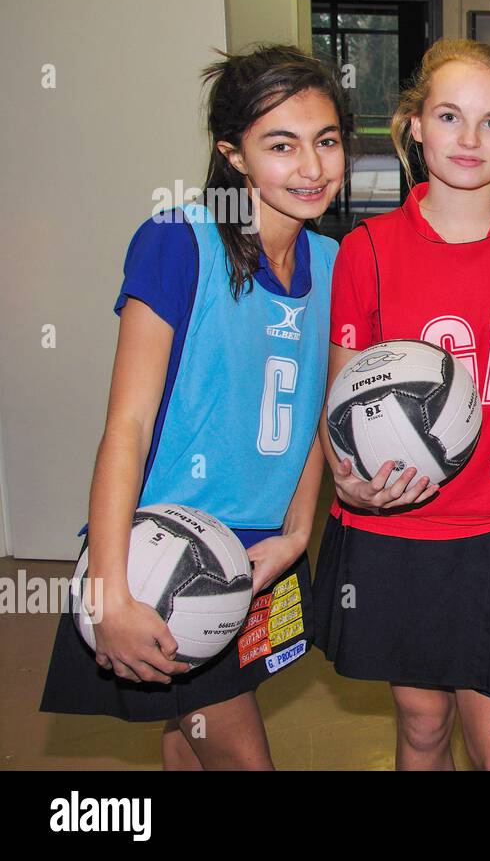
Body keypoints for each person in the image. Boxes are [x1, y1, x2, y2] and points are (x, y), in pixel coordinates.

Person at [40, 45, 348, 769]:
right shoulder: (178, 240)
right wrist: (113, 591)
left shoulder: (336, 263)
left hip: (260, 550)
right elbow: (128, 425)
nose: (311, 167)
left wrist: (300, 531)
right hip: (165, 557)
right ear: (232, 154)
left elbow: (315, 412)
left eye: (327, 141)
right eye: (281, 144)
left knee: (185, 731)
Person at [312, 38, 490, 771]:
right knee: (422, 722)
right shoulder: (365, 251)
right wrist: (347, 472)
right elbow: (341, 405)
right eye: (449, 116)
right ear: (414, 125)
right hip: (402, 522)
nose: (470, 140)